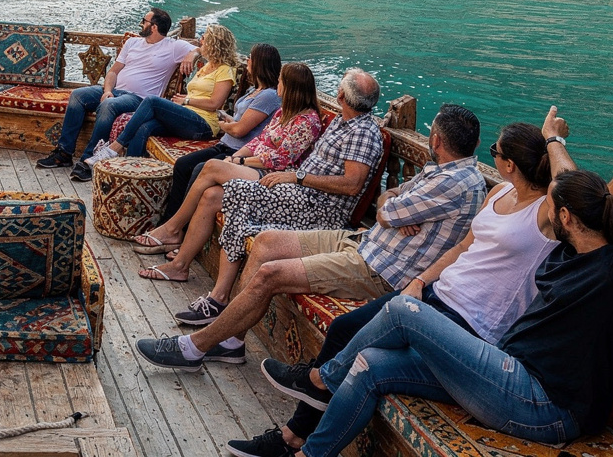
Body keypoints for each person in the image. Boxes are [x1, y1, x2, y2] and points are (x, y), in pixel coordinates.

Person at [253, 101, 613, 457]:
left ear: (565, 217)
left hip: (544, 405)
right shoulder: (571, 242)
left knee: (404, 308)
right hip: (507, 372)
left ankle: (320, 377)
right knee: (369, 367)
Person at [227, 118, 563, 457]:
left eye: (496, 151)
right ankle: (296, 440)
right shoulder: (499, 191)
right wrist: (419, 281)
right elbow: (461, 248)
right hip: (437, 295)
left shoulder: (548, 212)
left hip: (472, 327)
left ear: (509, 164)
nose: (492, 157)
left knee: (393, 321)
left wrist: (553, 140)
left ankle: (317, 382)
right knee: (348, 332)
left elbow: (571, 188)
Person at [135, 103, 485, 371]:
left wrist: (391, 208)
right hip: (364, 241)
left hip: (380, 269)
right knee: (268, 241)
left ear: (436, 141)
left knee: (271, 272)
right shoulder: (440, 169)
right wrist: (391, 204)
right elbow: (389, 199)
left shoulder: (454, 182)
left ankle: (194, 348)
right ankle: (232, 341)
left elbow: (387, 210)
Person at [130, 61, 329, 280]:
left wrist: (241, 163)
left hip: (276, 177)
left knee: (212, 166)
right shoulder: (284, 112)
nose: (278, 85)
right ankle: (180, 265)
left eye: (281, 81)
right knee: (210, 195)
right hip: (258, 165)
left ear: (291, 87)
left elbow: (280, 160)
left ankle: (172, 228)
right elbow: (258, 141)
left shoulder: (307, 121)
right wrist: (236, 157)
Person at [139, 43, 285, 235]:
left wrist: (224, 125)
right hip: (225, 144)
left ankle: (179, 230)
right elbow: (240, 122)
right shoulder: (254, 91)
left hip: (238, 151)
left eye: (251, 57)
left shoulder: (269, 96)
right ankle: (169, 223)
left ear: (260, 63)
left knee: (197, 169)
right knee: (183, 164)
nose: (247, 60)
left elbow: (240, 130)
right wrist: (228, 121)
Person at [36, 7, 197, 181]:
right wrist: (107, 91)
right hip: (115, 91)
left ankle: (90, 161)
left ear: (154, 27)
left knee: (108, 105)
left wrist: (192, 55)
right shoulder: (132, 43)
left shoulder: (173, 47)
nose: (140, 23)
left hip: (140, 99)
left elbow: (202, 47)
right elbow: (113, 72)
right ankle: (64, 153)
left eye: (144, 21)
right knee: (78, 95)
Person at [115, 25, 255, 156]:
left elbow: (215, 104)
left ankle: (115, 146)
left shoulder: (225, 70)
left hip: (203, 124)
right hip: (188, 115)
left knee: (152, 101)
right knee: (146, 127)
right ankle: (130, 169)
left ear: (213, 44)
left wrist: (186, 100)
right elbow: (200, 93)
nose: (200, 41)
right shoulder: (208, 66)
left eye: (204, 39)